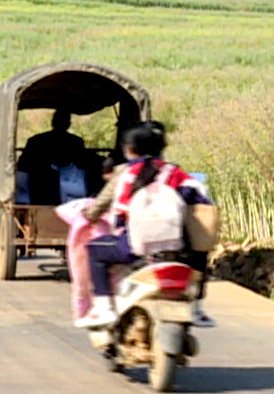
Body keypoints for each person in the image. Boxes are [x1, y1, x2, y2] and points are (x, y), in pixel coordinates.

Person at [77, 121, 215, 328]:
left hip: (135, 247)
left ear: (130, 150)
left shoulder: (127, 174)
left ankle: (104, 308)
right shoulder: (175, 172)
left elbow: (120, 214)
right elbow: (199, 197)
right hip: (176, 247)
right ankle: (196, 307)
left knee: (94, 250)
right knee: (200, 253)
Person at [16, 111, 100, 205]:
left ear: (52, 123)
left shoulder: (35, 141)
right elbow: (82, 163)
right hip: (62, 192)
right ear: (68, 124)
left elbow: (23, 164)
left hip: (38, 190)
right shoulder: (76, 142)